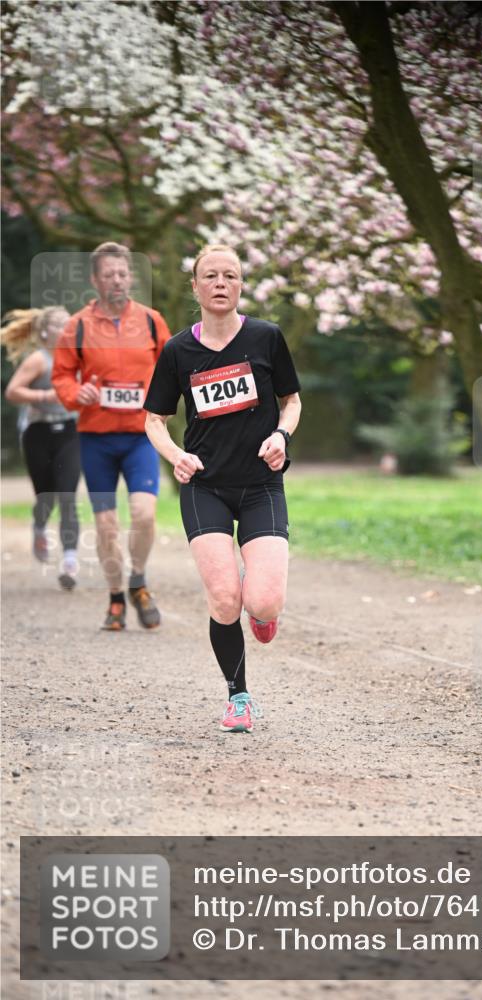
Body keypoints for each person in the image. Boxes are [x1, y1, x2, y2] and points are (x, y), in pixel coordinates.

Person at [144, 243, 302, 734]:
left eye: (229, 276)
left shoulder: (266, 337)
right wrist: (177, 456)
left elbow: (291, 401)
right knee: (223, 599)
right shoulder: (177, 351)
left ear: (240, 285)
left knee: (263, 602)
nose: (219, 283)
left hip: (260, 485)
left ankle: (264, 613)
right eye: (209, 276)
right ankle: (239, 698)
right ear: (195, 286)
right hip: (205, 486)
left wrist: (280, 434)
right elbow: (154, 420)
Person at [51, 241, 171, 630]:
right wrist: (75, 394)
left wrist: (164, 404)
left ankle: (138, 580)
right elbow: (62, 375)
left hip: (140, 437)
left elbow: (173, 367)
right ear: (95, 280)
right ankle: (116, 596)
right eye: (108, 275)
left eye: (122, 273)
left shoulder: (152, 321)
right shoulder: (78, 326)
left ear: (130, 276)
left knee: (144, 514)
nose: (116, 280)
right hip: (97, 439)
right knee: (105, 525)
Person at [2, 306, 81, 590]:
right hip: (37, 433)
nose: (66, 329)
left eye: (69, 324)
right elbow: (12, 391)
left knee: (68, 494)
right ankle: (39, 526)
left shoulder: (77, 358)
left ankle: (70, 561)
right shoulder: (38, 359)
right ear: (46, 331)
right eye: (60, 325)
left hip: (71, 432)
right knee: (46, 496)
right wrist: (45, 394)